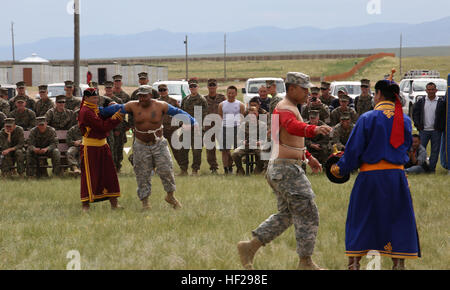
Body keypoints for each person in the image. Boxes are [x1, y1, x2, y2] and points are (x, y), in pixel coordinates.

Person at [237, 72, 331, 270]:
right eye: (304, 89)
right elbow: (293, 127)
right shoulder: (285, 107)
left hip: (282, 167)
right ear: (291, 89)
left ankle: (250, 247)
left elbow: (286, 138)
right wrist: (313, 129)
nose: (308, 92)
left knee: (288, 214)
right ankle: (305, 262)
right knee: (308, 211)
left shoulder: (288, 107)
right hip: (286, 168)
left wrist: (308, 157)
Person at [330, 79, 421, 270]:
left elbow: (353, 151)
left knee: (361, 218)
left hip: (370, 178)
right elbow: (406, 147)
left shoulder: (367, 118)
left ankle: (354, 264)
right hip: (397, 178)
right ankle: (398, 264)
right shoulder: (404, 120)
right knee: (398, 219)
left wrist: (338, 169)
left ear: (378, 94)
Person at [113, 85, 196, 210]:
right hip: (141, 144)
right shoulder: (132, 105)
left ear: (150, 95)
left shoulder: (160, 105)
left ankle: (170, 196)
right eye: (140, 96)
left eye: (145, 96)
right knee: (142, 174)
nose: (142, 98)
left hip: (159, 143)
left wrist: (193, 121)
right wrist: (99, 110)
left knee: (167, 170)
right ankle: (145, 202)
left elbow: (178, 112)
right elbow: (114, 109)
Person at [78, 88, 123, 211]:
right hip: (90, 148)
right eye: (93, 98)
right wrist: (117, 117)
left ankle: (114, 203)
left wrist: (111, 107)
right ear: (86, 98)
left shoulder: (93, 108)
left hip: (103, 146)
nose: (96, 100)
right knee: (89, 176)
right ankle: (85, 205)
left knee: (110, 175)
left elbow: (102, 113)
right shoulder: (86, 111)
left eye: (97, 98)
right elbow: (102, 126)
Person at [412, 82, 446, 173]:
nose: (431, 91)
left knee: (435, 151)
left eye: (432, 89)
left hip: (436, 131)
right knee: (421, 150)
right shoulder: (421, 101)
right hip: (424, 131)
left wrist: (441, 127)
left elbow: (444, 116)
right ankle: (421, 168)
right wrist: (418, 125)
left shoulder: (441, 102)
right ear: (426, 90)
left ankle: (431, 169)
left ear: (436, 90)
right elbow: (415, 114)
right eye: (429, 89)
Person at [180, 79, 208, 175]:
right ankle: (183, 170)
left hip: (197, 129)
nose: (193, 88)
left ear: (197, 87)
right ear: (189, 88)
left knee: (196, 151)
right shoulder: (185, 100)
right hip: (186, 129)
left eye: (194, 86)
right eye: (191, 87)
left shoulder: (201, 99)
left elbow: (203, 115)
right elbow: (181, 113)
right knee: (183, 150)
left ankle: (195, 170)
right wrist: (182, 124)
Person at [232, 106, 267, 175]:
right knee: (235, 154)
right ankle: (240, 169)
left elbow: (265, 138)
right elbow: (238, 138)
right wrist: (243, 142)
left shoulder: (262, 125)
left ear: (257, 114)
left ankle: (258, 169)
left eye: (254, 114)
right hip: (246, 145)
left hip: (257, 145)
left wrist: (260, 142)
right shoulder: (243, 125)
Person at [218, 85, 245, 174]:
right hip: (225, 128)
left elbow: (242, 117)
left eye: (233, 93)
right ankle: (227, 169)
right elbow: (220, 116)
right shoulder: (222, 104)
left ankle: (238, 168)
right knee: (225, 150)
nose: (231, 95)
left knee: (237, 150)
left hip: (236, 128)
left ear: (236, 94)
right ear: (227, 93)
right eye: (229, 93)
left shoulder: (240, 104)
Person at [157, 84, 184, 172]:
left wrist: (180, 127)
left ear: (167, 90)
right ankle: (160, 169)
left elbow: (180, 114)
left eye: (164, 90)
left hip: (172, 129)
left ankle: (183, 169)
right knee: (159, 151)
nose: (163, 92)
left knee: (177, 151)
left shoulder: (173, 101)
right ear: (158, 92)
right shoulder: (155, 103)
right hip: (160, 130)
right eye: (160, 90)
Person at [204, 79, 226, 174]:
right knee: (210, 148)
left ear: (216, 86)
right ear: (208, 87)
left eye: (214, 85)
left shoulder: (222, 98)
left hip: (220, 126)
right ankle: (213, 168)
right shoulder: (203, 99)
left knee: (225, 147)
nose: (212, 87)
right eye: (210, 85)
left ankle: (228, 166)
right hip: (208, 127)